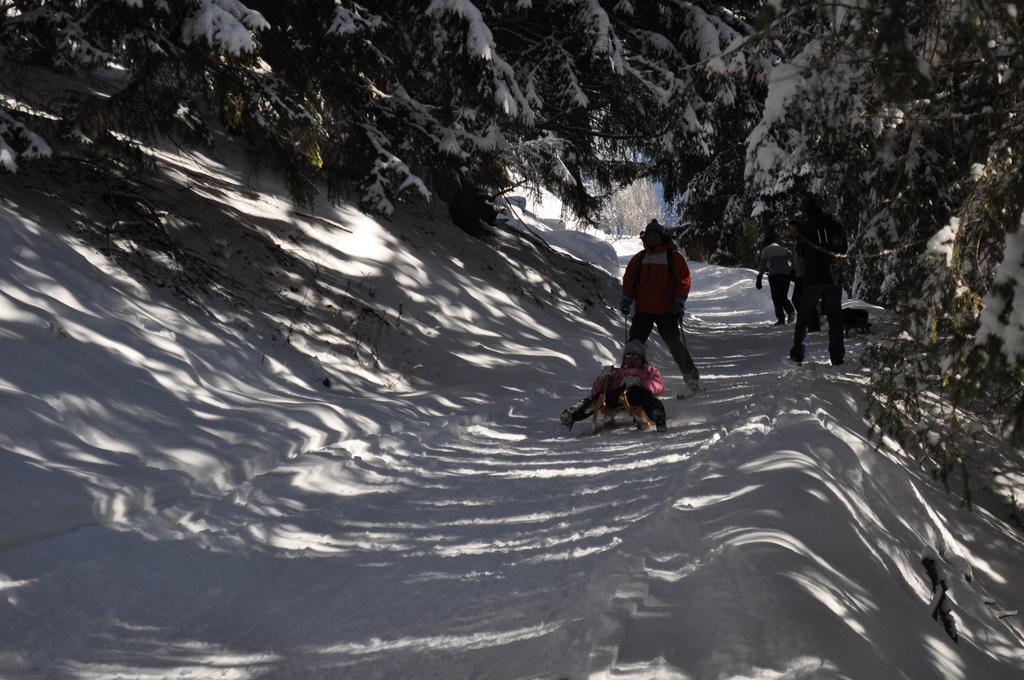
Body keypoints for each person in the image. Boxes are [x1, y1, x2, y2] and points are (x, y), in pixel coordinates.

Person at [620, 219, 700, 398]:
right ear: (645, 238)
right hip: (643, 311)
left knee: (675, 346)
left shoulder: (672, 256)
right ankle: (629, 381)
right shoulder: (639, 258)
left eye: (656, 235)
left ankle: (692, 379)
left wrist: (680, 301)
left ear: (662, 237)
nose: (653, 239)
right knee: (633, 348)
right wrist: (627, 298)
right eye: (650, 236)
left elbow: (684, 280)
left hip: (667, 310)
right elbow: (629, 279)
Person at [561, 339, 668, 432]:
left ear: (642, 358)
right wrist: (603, 378)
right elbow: (595, 390)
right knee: (597, 398)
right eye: (628, 355)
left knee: (646, 398)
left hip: (636, 395)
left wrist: (641, 382)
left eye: (635, 356)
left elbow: (659, 386)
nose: (631, 359)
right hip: (615, 397)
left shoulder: (649, 370)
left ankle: (658, 417)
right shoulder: (617, 372)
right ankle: (571, 415)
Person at [790, 196, 847, 365]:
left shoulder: (806, 228)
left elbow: (800, 251)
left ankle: (798, 353)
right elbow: (843, 247)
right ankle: (837, 357)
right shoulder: (835, 225)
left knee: (804, 318)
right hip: (833, 277)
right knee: (835, 319)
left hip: (813, 279)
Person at [756, 236, 796, 325]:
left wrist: (759, 277)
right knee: (783, 296)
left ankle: (781, 319)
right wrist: (792, 270)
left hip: (774, 275)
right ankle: (790, 311)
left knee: (776, 297)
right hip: (786, 275)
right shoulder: (784, 249)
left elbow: (762, 264)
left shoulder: (766, 250)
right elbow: (793, 260)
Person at [789, 221, 820, 332]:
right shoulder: (796, 241)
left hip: (806, 273)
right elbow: (795, 258)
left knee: (803, 299)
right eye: (790, 228)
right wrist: (793, 270)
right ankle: (810, 321)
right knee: (798, 299)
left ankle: (813, 323)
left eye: (793, 228)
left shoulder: (803, 240)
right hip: (799, 273)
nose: (792, 231)